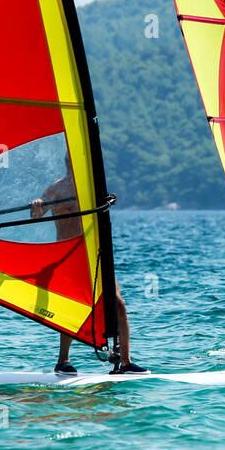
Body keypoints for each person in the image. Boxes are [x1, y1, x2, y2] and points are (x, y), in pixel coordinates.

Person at [32, 154, 145, 374]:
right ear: (69, 163)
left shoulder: (92, 186)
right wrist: (36, 205)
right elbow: (37, 215)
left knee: (119, 304)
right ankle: (63, 361)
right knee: (72, 306)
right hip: (68, 256)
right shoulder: (56, 190)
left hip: (96, 255)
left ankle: (125, 362)